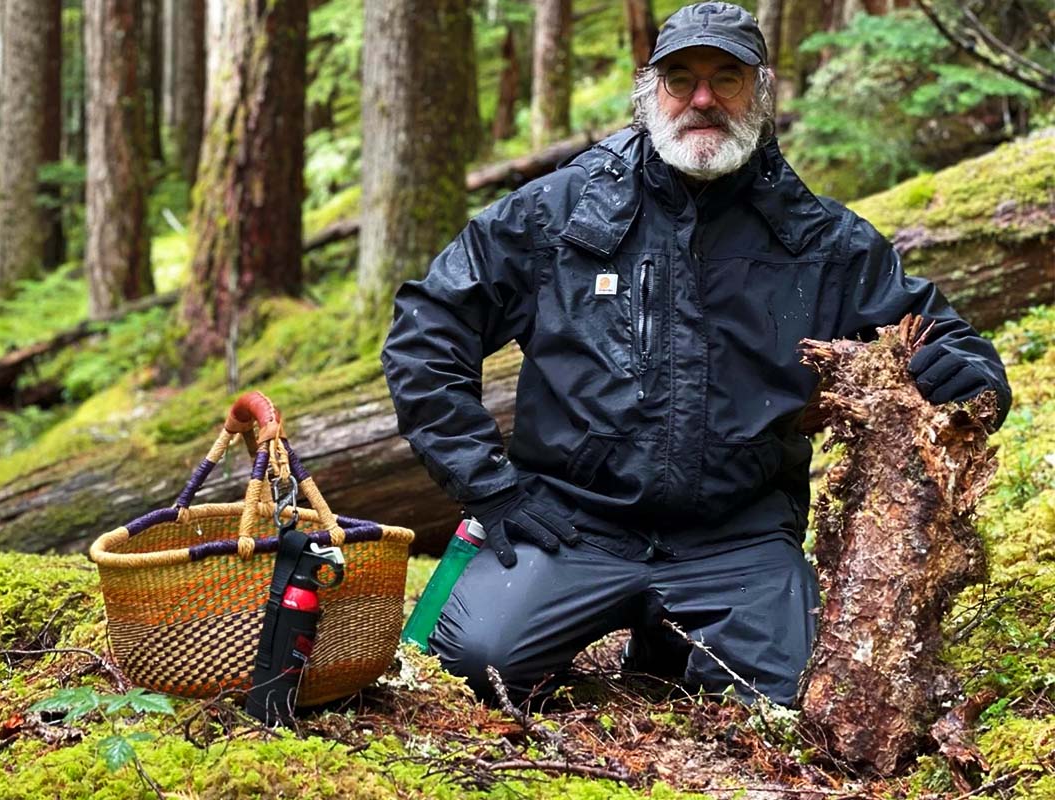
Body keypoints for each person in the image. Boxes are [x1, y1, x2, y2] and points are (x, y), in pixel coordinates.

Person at [380, 2, 1011, 708]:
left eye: (727, 78)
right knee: (470, 669)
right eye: (681, 79)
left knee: (798, 696)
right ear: (650, 92)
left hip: (737, 537)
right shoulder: (560, 212)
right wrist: (490, 485)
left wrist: (968, 378)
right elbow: (428, 327)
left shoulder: (818, 238)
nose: (703, 99)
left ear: (761, 91)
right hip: (568, 523)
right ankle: (632, 623)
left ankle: (671, 640)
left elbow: (950, 340)